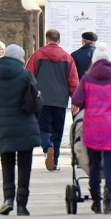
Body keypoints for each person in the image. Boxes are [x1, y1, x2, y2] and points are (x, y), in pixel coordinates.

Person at [71, 42, 111, 214]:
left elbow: (76, 100)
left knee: (94, 165)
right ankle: (108, 202)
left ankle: (96, 201)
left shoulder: (87, 79)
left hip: (93, 128)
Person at [0, 44, 41, 216]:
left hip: (4, 125)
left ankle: (8, 199)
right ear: (19, 58)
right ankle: (21, 204)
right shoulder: (26, 75)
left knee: (7, 164)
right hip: (26, 125)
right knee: (25, 166)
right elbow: (37, 102)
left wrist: (1, 117)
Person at [25, 29, 79, 171]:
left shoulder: (37, 55)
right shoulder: (67, 57)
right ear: (59, 40)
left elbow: (29, 76)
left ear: (46, 39)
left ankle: (47, 147)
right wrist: (76, 100)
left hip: (42, 99)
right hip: (61, 100)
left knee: (43, 128)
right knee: (58, 130)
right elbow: (73, 80)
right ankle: (54, 161)